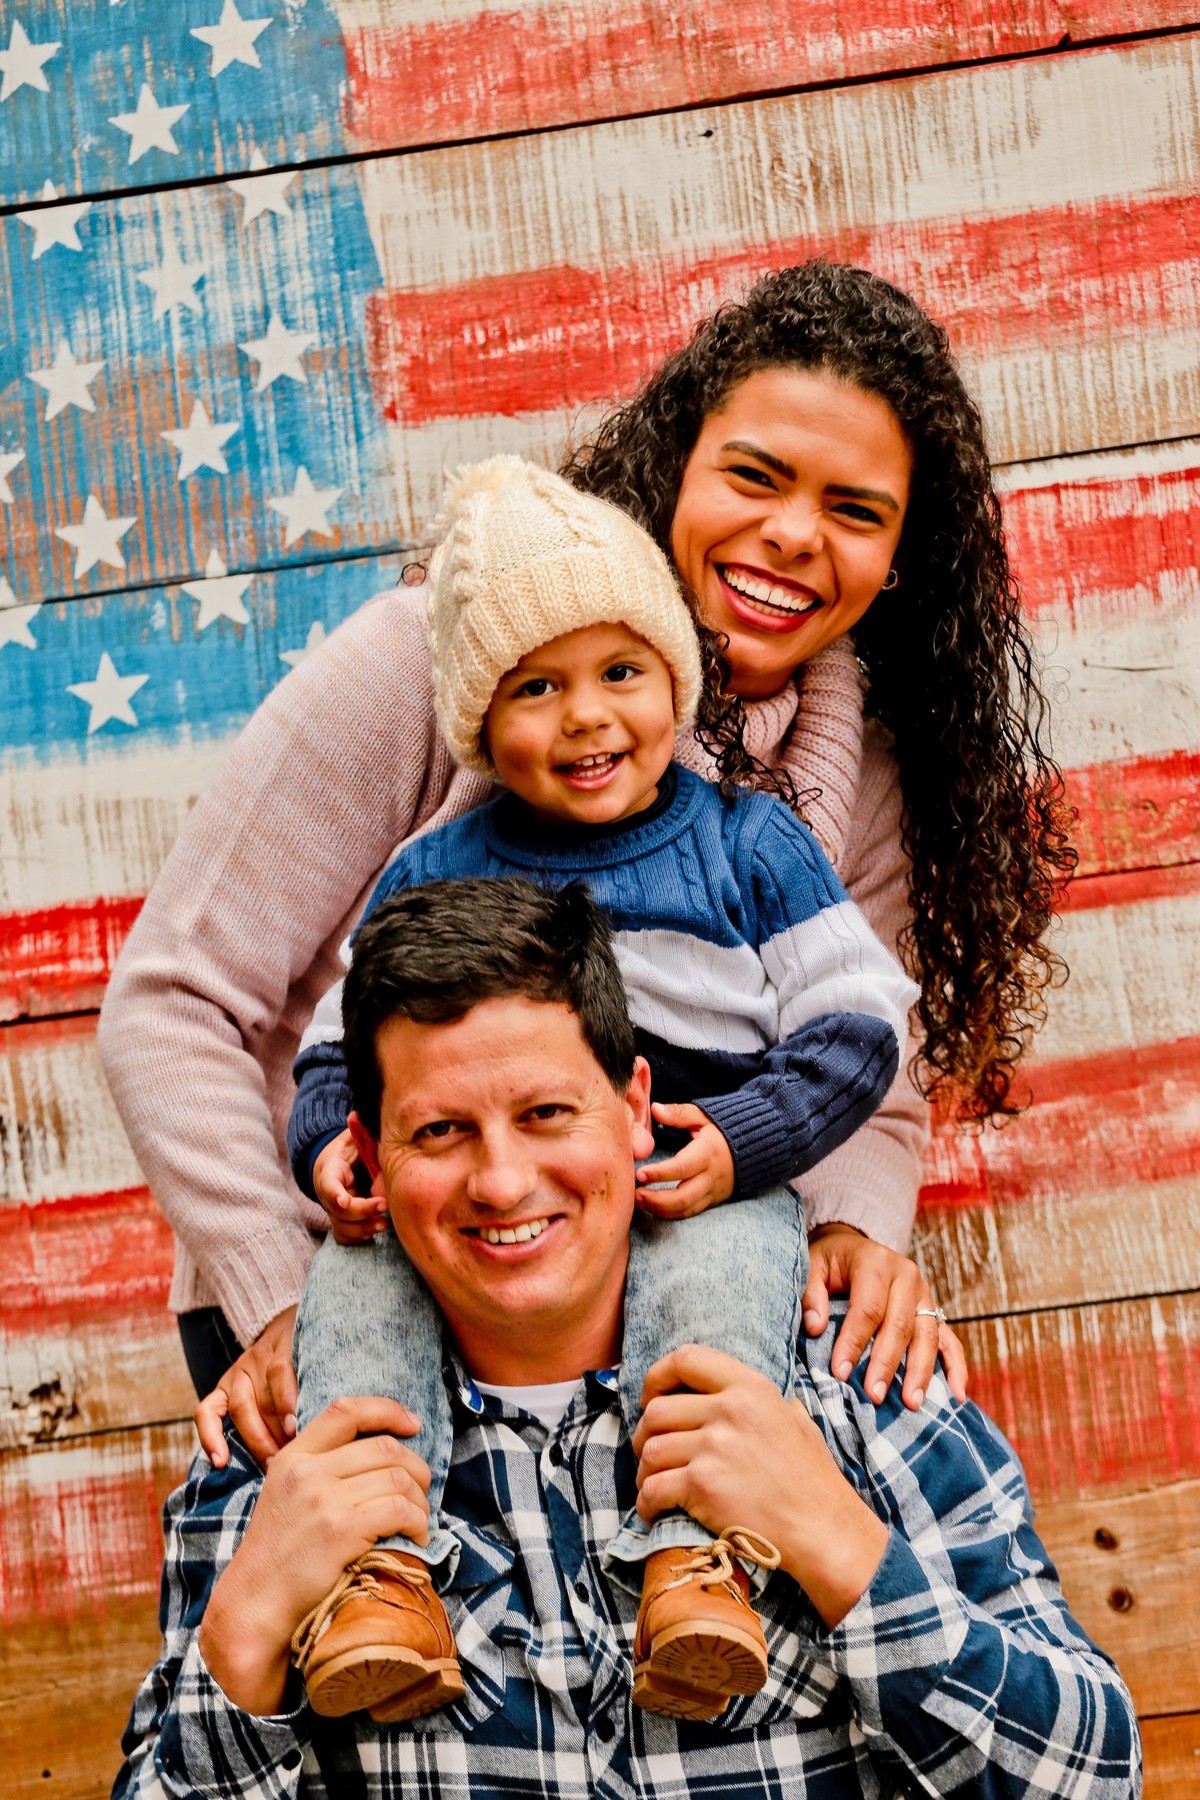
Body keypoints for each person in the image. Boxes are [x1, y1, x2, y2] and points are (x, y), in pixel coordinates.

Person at [98, 260, 1070, 1467]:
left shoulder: (859, 771)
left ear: (902, 557)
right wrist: (283, 1297)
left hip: (653, 1304)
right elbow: (172, 1003)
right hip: (342, 1290)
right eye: (754, 476)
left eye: (856, 511)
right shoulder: (427, 666)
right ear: (676, 465)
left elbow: (876, 1062)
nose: (792, 534)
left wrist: (854, 1231)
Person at [112, 881, 1139, 1800]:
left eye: (546, 1112)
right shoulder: (279, 1456)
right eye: (440, 1131)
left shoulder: (853, 1383)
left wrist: (836, 1540)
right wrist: (247, 1628)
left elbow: (1094, 1777)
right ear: (369, 1157)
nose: (502, 1181)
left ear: (636, 1109)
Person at [282, 455, 917, 1724]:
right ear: (478, 720)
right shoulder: (433, 868)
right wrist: (325, 1150)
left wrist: (740, 1142)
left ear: (675, 680)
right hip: (496, 1206)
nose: (586, 718)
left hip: (698, 1185)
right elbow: (334, 1048)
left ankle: (695, 1567)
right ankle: (374, 1583)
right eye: (537, 687)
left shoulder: (749, 844)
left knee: (718, 1305)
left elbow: (857, 1027)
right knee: (352, 1295)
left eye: (620, 672)